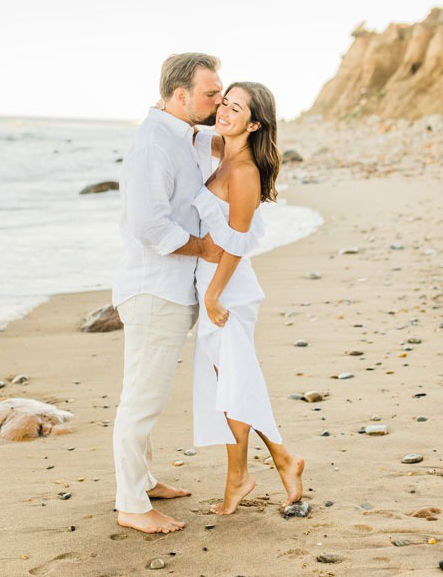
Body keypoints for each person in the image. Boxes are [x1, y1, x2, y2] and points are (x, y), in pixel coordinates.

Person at [112, 53, 224, 534]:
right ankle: (132, 505)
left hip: (172, 290)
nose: (217, 100)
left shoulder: (185, 135)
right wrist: (207, 248)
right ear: (180, 96)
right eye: (210, 93)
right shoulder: (153, 146)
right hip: (154, 291)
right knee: (142, 399)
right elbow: (149, 225)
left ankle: (144, 479)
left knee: (146, 393)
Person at [192, 81, 304, 514]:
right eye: (223, 102)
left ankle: (245, 475)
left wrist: (215, 295)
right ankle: (278, 459)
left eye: (236, 108)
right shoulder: (221, 154)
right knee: (232, 382)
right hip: (212, 281)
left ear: (254, 123)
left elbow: (237, 242)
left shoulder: (243, 171)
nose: (224, 111)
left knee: (233, 382)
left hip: (228, 287)